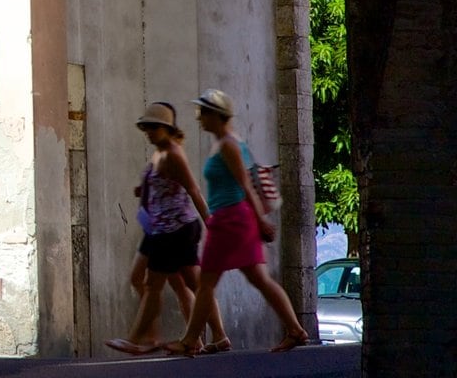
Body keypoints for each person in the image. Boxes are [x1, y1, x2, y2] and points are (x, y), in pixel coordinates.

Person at [166, 89, 310, 355]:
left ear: (217, 115)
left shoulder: (229, 145)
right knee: (257, 279)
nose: (199, 118)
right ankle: (295, 329)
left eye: (203, 112)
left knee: (207, 282)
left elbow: (244, 184)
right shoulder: (228, 143)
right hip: (234, 219)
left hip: (230, 220)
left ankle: (189, 340)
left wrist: (261, 221)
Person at [104, 102, 204, 355]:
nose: (148, 132)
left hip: (174, 229)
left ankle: (140, 339)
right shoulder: (160, 153)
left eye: (153, 127)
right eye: (146, 127)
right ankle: (193, 338)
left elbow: (193, 190)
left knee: (162, 286)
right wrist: (145, 190)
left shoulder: (173, 153)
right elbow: (162, 185)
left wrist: (211, 223)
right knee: (180, 284)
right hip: (158, 228)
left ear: (167, 128)